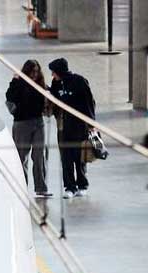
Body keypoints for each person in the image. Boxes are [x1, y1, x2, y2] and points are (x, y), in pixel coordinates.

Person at [48, 58, 95, 199]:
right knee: (66, 158)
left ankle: (82, 185)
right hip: (63, 127)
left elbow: (89, 103)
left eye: (53, 72)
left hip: (80, 126)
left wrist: (92, 124)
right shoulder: (56, 83)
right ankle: (70, 187)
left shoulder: (80, 81)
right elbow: (55, 100)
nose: (52, 75)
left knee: (80, 156)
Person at [6, 59, 50, 197]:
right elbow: (9, 96)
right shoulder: (18, 84)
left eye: (37, 71)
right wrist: (14, 81)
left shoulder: (41, 85)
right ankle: (22, 188)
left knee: (39, 156)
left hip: (38, 122)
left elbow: (49, 95)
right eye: (32, 71)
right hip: (21, 123)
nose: (34, 74)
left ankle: (41, 188)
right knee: (21, 157)